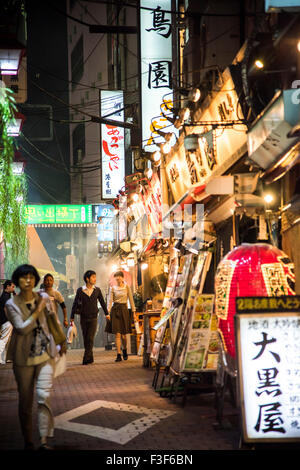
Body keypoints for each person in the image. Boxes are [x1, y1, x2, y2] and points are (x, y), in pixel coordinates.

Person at [5, 264, 59, 451]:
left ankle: (43, 440)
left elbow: (52, 321)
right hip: (23, 358)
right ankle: (28, 441)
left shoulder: (43, 297)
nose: (28, 281)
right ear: (17, 281)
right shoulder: (11, 305)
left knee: (44, 396)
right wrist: (37, 310)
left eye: (31, 277)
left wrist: (61, 341)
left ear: (36, 280)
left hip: (45, 355)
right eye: (23, 277)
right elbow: (21, 328)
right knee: (26, 401)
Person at [70, 270, 108, 365]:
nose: (95, 279)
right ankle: (90, 357)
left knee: (90, 337)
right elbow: (75, 303)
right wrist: (72, 316)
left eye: (95, 277)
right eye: (93, 277)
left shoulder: (97, 290)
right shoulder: (80, 290)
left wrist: (107, 314)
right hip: (83, 317)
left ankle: (86, 357)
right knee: (85, 337)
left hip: (94, 317)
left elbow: (102, 302)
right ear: (87, 279)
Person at [106, 271, 136, 362]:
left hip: (124, 310)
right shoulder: (113, 288)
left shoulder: (127, 287)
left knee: (124, 335)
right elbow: (110, 301)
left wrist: (134, 312)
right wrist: (108, 312)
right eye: (116, 277)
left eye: (119, 276)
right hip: (115, 311)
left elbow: (131, 300)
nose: (117, 278)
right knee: (117, 334)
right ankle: (118, 354)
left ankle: (125, 350)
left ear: (123, 278)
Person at [0, 280, 15, 364]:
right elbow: (6, 308)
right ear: (7, 287)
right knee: (4, 340)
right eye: (12, 287)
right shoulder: (5, 297)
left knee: (6, 340)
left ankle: (3, 359)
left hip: (5, 321)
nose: (13, 288)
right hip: (6, 321)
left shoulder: (6, 295)